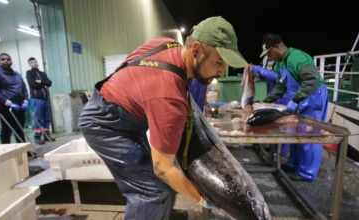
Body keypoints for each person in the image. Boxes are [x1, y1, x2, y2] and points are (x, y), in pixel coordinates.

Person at [78, 16, 248, 219]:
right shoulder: (169, 98)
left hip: (116, 108)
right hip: (105, 125)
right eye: (218, 62)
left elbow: (127, 69)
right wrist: (203, 200)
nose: (222, 71)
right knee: (152, 190)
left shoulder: (166, 44)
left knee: (161, 182)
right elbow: (163, 169)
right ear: (196, 50)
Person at [259, 33, 328, 182]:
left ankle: (306, 172)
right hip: (299, 98)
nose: (269, 57)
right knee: (297, 132)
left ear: (277, 47)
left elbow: (312, 79)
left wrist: (296, 99)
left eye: (269, 53)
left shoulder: (297, 58)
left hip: (313, 97)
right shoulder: (280, 64)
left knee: (310, 134)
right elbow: (280, 87)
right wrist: (265, 101)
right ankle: (293, 164)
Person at [0, 53, 29, 144]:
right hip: (6, 107)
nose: (6, 61)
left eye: (8, 59)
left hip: (19, 106)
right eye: (3, 59)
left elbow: (24, 88)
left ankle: (24, 151)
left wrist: (25, 100)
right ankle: (5, 151)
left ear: (11, 62)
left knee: (19, 129)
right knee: (7, 129)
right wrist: (6, 101)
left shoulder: (17, 74)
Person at [26, 57, 55, 145]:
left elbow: (49, 83)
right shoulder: (29, 73)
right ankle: (37, 137)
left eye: (35, 61)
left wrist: (41, 81)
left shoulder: (42, 73)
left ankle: (46, 136)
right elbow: (33, 84)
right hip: (36, 99)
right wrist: (43, 82)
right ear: (29, 64)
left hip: (45, 99)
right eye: (32, 62)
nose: (34, 63)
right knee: (38, 119)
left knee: (47, 118)